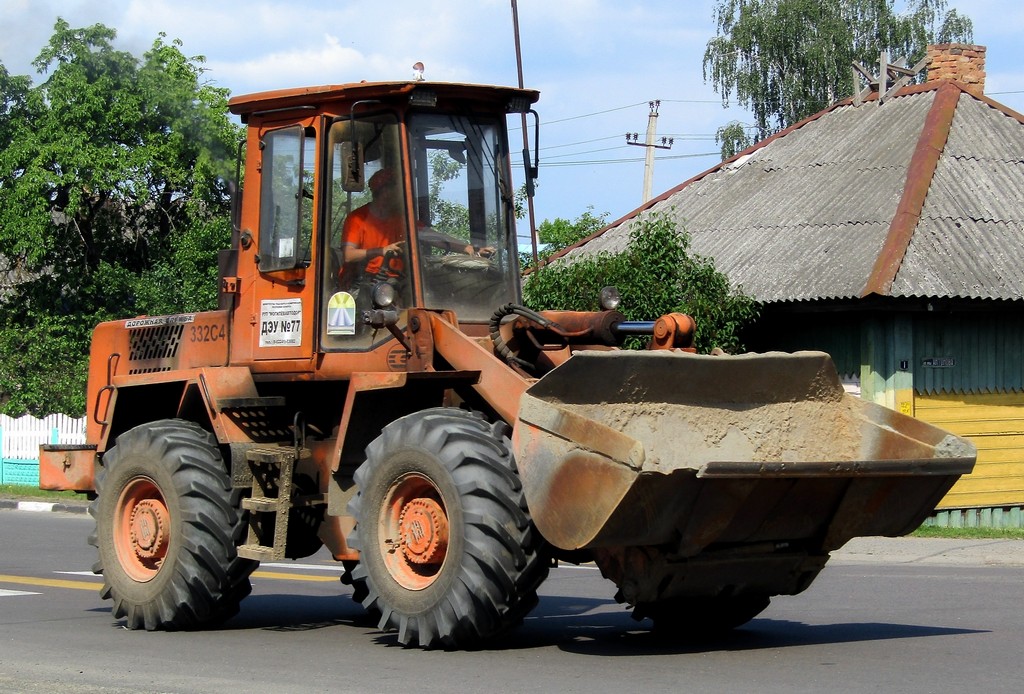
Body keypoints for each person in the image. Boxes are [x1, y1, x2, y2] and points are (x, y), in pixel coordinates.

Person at [341, 168, 496, 282]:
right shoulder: (357, 219)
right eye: (400, 189)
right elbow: (349, 255)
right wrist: (382, 251)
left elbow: (433, 236)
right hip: (363, 283)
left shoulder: (402, 219)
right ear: (385, 192)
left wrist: (470, 249)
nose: (404, 195)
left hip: (397, 281)